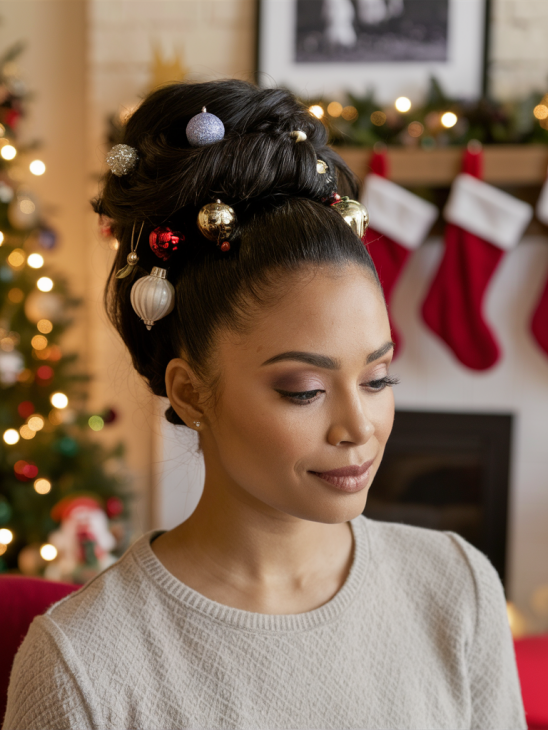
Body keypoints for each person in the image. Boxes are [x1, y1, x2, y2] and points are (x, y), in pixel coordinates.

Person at [3, 80, 526, 730]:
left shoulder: (457, 590)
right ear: (190, 391)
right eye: (303, 390)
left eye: (377, 378)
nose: (359, 427)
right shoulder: (83, 664)